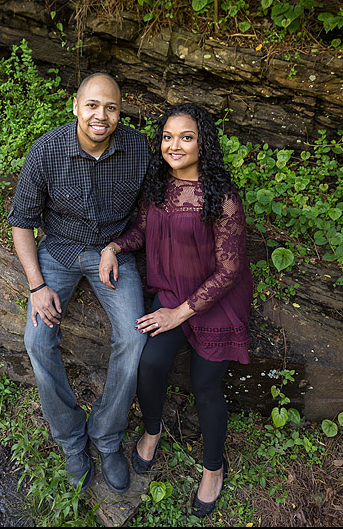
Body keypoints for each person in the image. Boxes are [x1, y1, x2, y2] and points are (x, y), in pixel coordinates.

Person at [97, 102, 253, 517]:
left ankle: (213, 468)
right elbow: (141, 233)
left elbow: (231, 270)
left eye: (186, 137)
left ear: (204, 143)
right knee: (149, 363)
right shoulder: (158, 187)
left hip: (215, 300)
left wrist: (177, 315)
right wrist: (112, 247)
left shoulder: (222, 197)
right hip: (171, 290)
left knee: (205, 385)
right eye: (167, 137)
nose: (174, 145)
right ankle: (153, 428)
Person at [7, 72, 151, 494]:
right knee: (36, 341)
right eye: (92, 105)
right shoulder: (47, 150)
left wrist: (119, 246)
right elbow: (21, 222)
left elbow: (145, 217)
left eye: (110, 107)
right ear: (76, 106)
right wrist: (36, 285)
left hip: (112, 252)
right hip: (60, 250)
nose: (100, 116)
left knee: (133, 336)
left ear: (119, 112)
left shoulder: (138, 149)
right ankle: (72, 439)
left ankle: (106, 438)